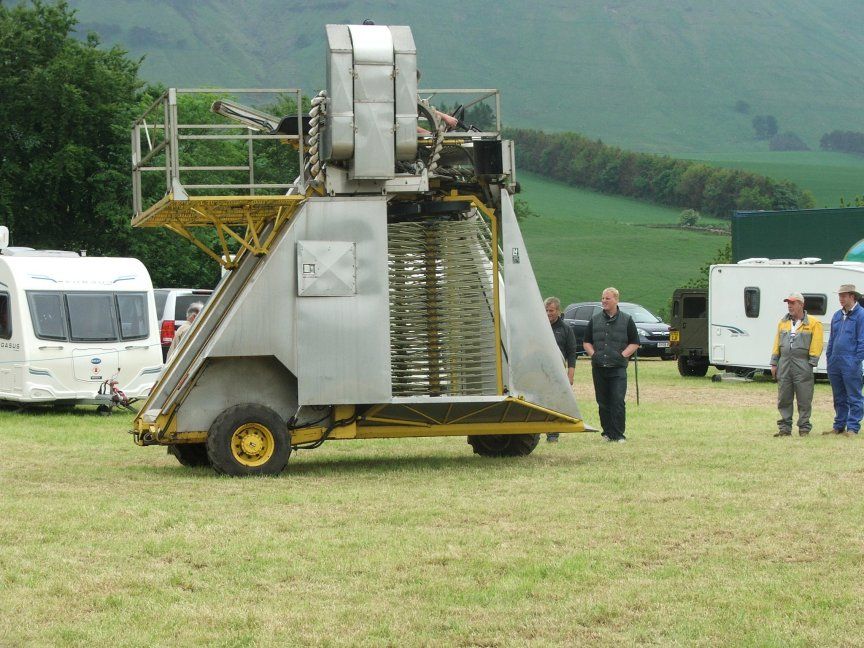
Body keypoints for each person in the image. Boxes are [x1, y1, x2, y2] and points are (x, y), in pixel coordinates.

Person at [582, 288, 640, 443]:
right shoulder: (594, 320)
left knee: (617, 401)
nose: (604, 301)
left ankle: (619, 434)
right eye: (602, 298)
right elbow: (586, 341)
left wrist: (622, 355)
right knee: (603, 402)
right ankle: (607, 433)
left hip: (618, 369)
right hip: (599, 368)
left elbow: (635, 342)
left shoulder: (627, 320)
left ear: (616, 300)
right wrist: (593, 354)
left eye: (607, 298)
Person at [769, 292, 823, 437]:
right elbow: (776, 344)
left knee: (804, 398)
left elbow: (817, 344)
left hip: (802, 363)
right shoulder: (783, 322)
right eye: (788, 303)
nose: (790, 306)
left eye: (793, 303)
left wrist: (811, 363)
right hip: (784, 363)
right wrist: (774, 363)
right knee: (784, 397)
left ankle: (804, 428)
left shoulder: (813, 323)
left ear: (801, 304)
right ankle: (784, 428)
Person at [824, 284, 864, 437]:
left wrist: (856, 361)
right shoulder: (837, 315)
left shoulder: (861, 315)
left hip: (850, 361)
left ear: (853, 296)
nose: (841, 299)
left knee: (854, 395)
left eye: (844, 296)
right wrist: (829, 357)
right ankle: (839, 425)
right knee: (839, 396)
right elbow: (832, 339)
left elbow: (862, 340)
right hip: (835, 361)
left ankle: (853, 427)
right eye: (840, 296)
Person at [544, 296, 578, 442]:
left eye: (551, 310)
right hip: (539, 371)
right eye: (545, 310)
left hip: (557, 373)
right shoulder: (539, 326)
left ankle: (552, 434)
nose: (548, 313)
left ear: (558, 311)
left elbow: (571, 353)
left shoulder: (566, 329)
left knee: (554, 403)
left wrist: (570, 375)